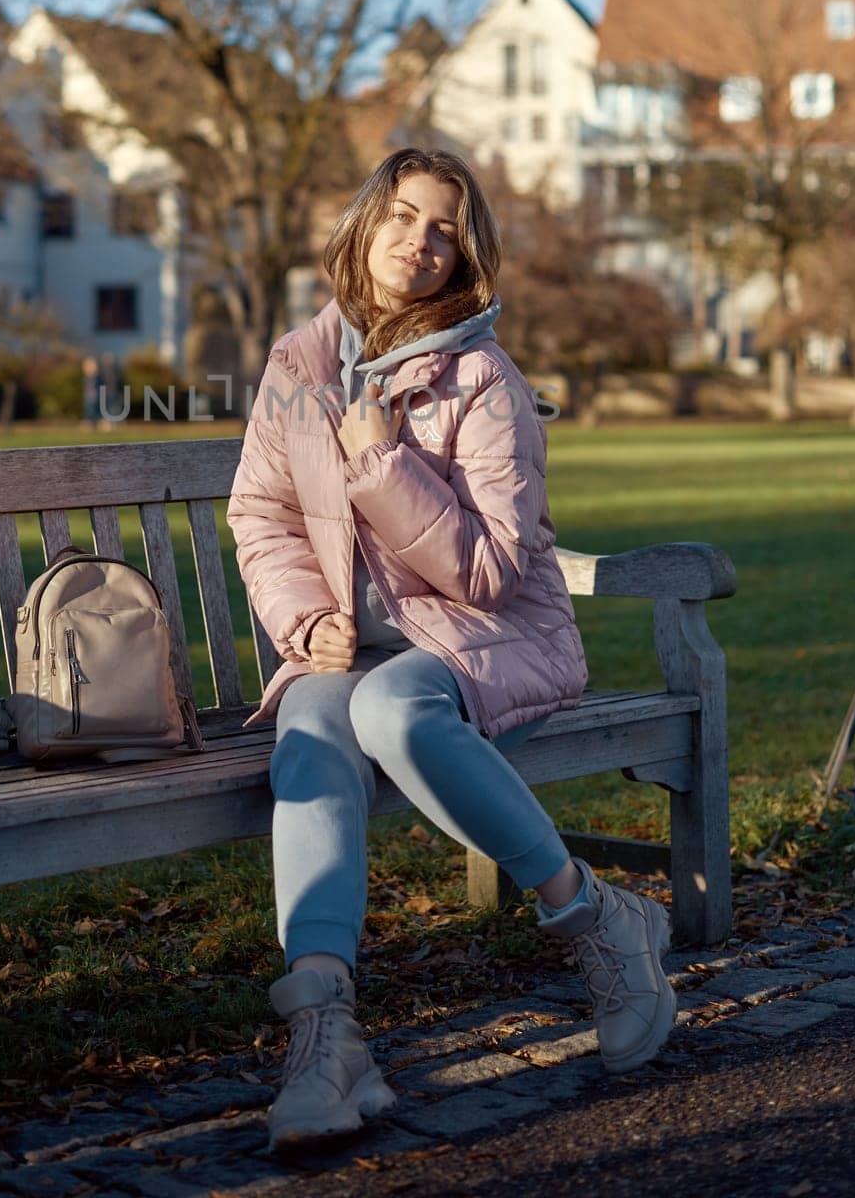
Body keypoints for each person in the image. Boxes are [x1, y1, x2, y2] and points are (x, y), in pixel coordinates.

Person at [225, 148, 676, 1155]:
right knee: (309, 720)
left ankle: (597, 919)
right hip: (350, 647)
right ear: (364, 221)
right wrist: (306, 623)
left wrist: (381, 462)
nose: (418, 241)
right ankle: (327, 1033)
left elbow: (492, 572)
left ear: (467, 256)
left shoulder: (483, 376)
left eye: (443, 228)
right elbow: (261, 514)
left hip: (484, 638)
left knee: (388, 710)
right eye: (402, 214)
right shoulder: (299, 363)